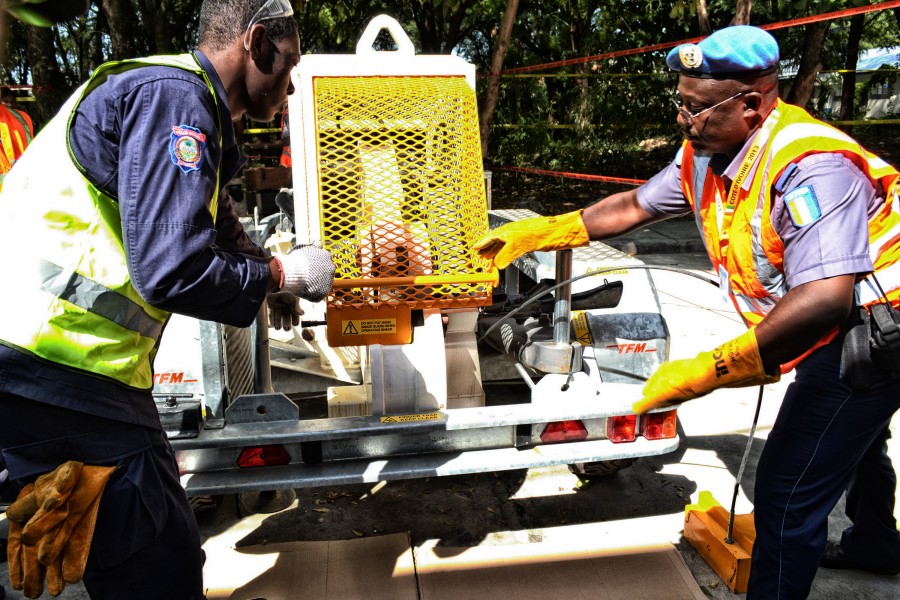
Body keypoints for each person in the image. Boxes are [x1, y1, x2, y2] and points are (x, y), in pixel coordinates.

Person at [475, 25, 900, 599]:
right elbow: (634, 204)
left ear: (751, 104)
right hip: (841, 330)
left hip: (872, 333)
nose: (683, 118)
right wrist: (556, 230)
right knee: (855, 442)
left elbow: (824, 298)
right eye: (681, 102)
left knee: (785, 491)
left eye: (697, 108)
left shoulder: (812, 167)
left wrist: (712, 369)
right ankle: (876, 544)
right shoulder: (706, 154)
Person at [0, 0, 334, 598]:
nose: (291, 83)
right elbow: (171, 270)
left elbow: (222, 232)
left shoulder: (188, 105)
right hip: (52, 361)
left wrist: (264, 280)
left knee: (158, 548)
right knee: (156, 566)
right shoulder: (174, 103)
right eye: (290, 62)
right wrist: (282, 275)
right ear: (257, 44)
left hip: (65, 368)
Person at [0, 86, 33, 190]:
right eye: (5, 101)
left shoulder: (23, 118)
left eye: (11, 101)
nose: (9, 104)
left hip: (18, 174)